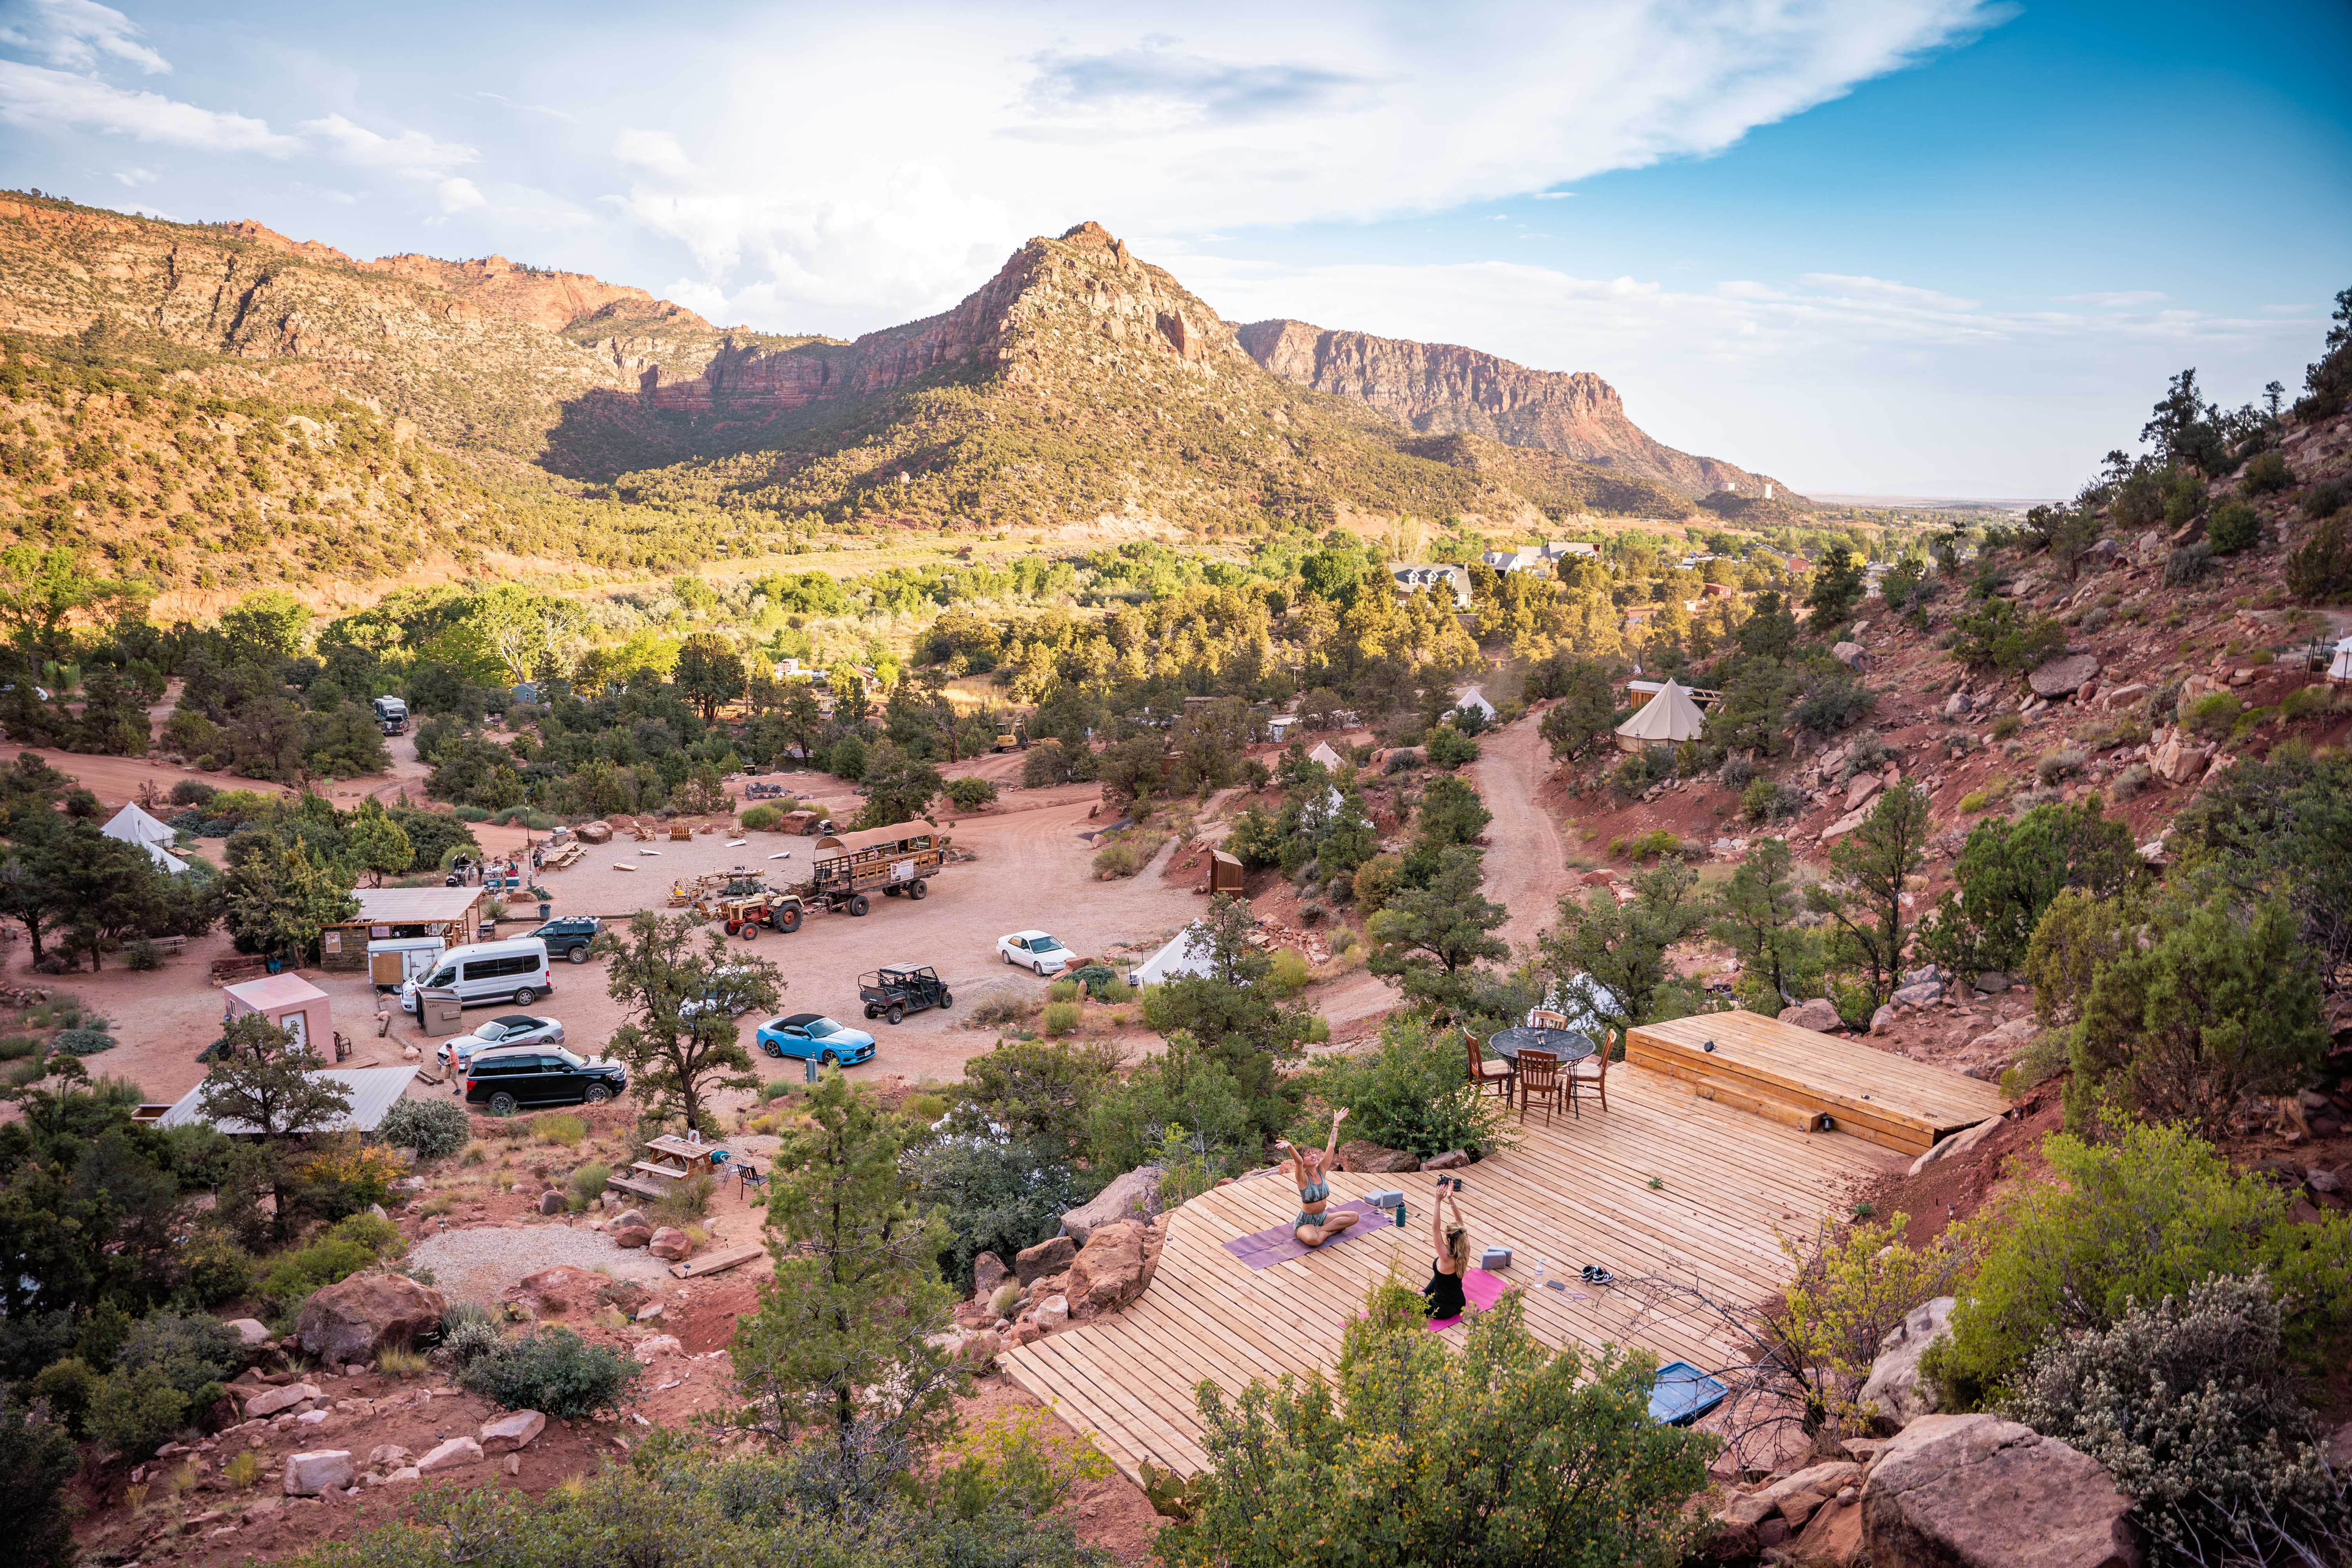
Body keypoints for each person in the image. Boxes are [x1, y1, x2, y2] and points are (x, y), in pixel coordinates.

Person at [1276, 1107, 1358, 1247]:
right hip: (1306, 1222)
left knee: (1354, 1216)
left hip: (1322, 1218)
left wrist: (1336, 1123)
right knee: (1314, 1241)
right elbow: (1298, 1161)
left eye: (1313, 1152)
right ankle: (1330, 1231)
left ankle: (1324, 1231)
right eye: (1308, 1155)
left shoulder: (1322, 1170)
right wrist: (1290, 1146)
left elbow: (1331, 1146)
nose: (1313, 1155)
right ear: (1304, 1160)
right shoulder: (1303, 1178)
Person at [1424, 1178, 1470, 1321]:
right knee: (1440, 1276)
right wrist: (1450, 1199)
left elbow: (1435, 1229)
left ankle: (1424, 1294)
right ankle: (1425, 1292)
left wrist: (1438, 1201)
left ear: (1449, 1240)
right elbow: (1461, 1225)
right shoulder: (1466, 1248)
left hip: (1441, 1309)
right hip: (1460, 1303)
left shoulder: (1445, 1256)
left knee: (1402, 1296)